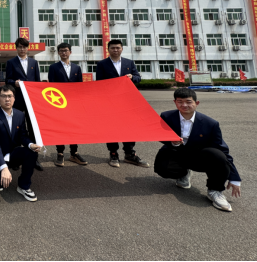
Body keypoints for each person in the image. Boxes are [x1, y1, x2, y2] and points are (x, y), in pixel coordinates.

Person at [154, 88, 241, 212]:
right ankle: (183, 174)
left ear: (197, 103)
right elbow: (160, 135)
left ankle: (215, 191)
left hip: (199, 155)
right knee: (162, 168)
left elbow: (223, 150)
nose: (184, 105)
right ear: (175, 102)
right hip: (176, 152)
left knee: (218, 155)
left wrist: (234, 177)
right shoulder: (166, 116)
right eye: (180, 102)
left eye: (188, 102)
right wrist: (172, 142)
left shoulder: (210, 123)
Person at [95, 40, 149, 169]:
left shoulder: (128, 62)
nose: (115, 50)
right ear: (108, 49)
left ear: (122, 49)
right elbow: (99, 83)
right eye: (113, 48)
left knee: (129, 127)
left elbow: (138, 78)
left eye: (118, 48)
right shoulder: (102, 64)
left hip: (127, 101)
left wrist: (132, 77)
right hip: (110, 102)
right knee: (112, 127)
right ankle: (113, 153)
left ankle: (129, 153)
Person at [0, 85, 41, 202]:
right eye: (4, 96)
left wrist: (31, 144)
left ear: (14, 98)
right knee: (0, 183)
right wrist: (4, 167)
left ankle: (23, 186)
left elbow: (23, 136)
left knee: (31, 153)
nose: (7, 99)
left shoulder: (20, 115)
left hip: (12, 154)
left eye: (10, 96)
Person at [5, 38, 43, 172]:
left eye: (24, 47)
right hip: (17, 100)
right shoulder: (11, 62)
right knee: (16, 128)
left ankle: (34, 157)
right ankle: (15, 157)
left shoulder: (34, 62)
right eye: (20, 47)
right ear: (16, 48)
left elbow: (37, 82)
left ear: (28, 48)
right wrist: (13, 83)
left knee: (33, 128)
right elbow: (7, 80)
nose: (22, 49)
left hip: (31, 101)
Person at [48, 43, 88, 167]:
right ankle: (60, 153)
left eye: (65, 50)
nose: (63, 53)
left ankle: (74, 153)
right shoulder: (53, 67)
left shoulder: (77, 68)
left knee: (73, 127)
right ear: (58, 53)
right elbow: (51, 86)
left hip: (73, 103)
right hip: (59, 103)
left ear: (70, 52)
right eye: (61, 51)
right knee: (60, 128)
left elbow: (80, 86)